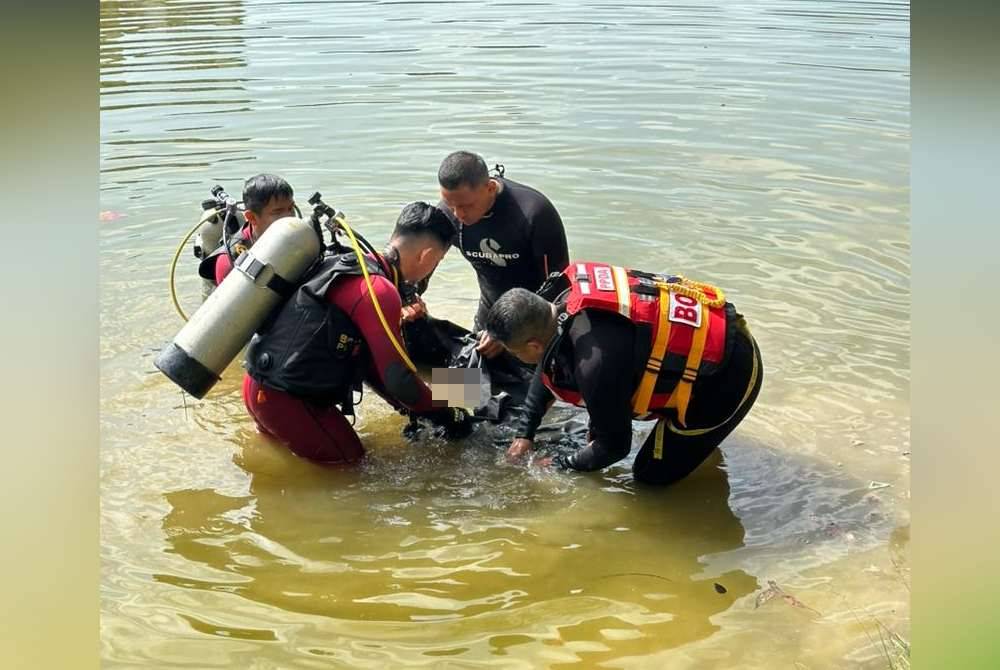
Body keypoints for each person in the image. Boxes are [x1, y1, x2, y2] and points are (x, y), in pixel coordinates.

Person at [484, 261, 763, 485]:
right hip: (699, 348)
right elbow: (547, 368)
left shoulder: (593, 363)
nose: (514, 357)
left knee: (649, 479)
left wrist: (560, 465)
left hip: (726, 377)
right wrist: (525, 434)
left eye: (514, 351)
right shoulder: (559, 303)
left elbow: (615, 447)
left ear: (532, 344)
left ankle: (698, 452)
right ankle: (694, 450)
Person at [241, 202, 473, 464]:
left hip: (256, 387)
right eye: (438, 261)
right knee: (354, 470)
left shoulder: (347, 263)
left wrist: (455, 394)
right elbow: (400, 380)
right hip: (287, 403)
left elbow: (373, 368)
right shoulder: (380, 291)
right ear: (428, 256)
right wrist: (447, 411)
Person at [436, 151, 569, 358]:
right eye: (451, 206)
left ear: (489, 188)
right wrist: (410, 299)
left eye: (465, 206)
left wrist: (507, 331)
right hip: (489, 316)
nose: (458, 215)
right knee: (456, 382)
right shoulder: (451, 213)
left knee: (537, 388)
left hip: (533, 327)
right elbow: (422, 257)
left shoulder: (533, 213)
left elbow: (560, 287)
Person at [198, 173, 297, 286]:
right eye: (278, 212)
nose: (289, 216)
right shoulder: (230, 261)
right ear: (252, 217)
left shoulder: (300, 236)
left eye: (291, 208)